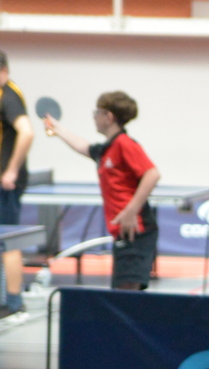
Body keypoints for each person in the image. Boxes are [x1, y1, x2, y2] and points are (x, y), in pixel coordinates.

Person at [43, 91, 161, 290]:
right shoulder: (107, 148)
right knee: (123, 293)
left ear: (108, 116)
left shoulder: (124, 144)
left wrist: (131, 211)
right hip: (123, 232)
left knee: (125, 293)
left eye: (97, 112)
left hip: (136, 231)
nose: (94, 117)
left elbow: (152, 174)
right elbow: (83, 146)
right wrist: (58, 128)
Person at [0, 51, 34, 321]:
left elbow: (27, 132)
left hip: (6, 184)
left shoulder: (8, 97)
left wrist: (10, 171)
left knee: (8, 241)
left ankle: (14, 303)